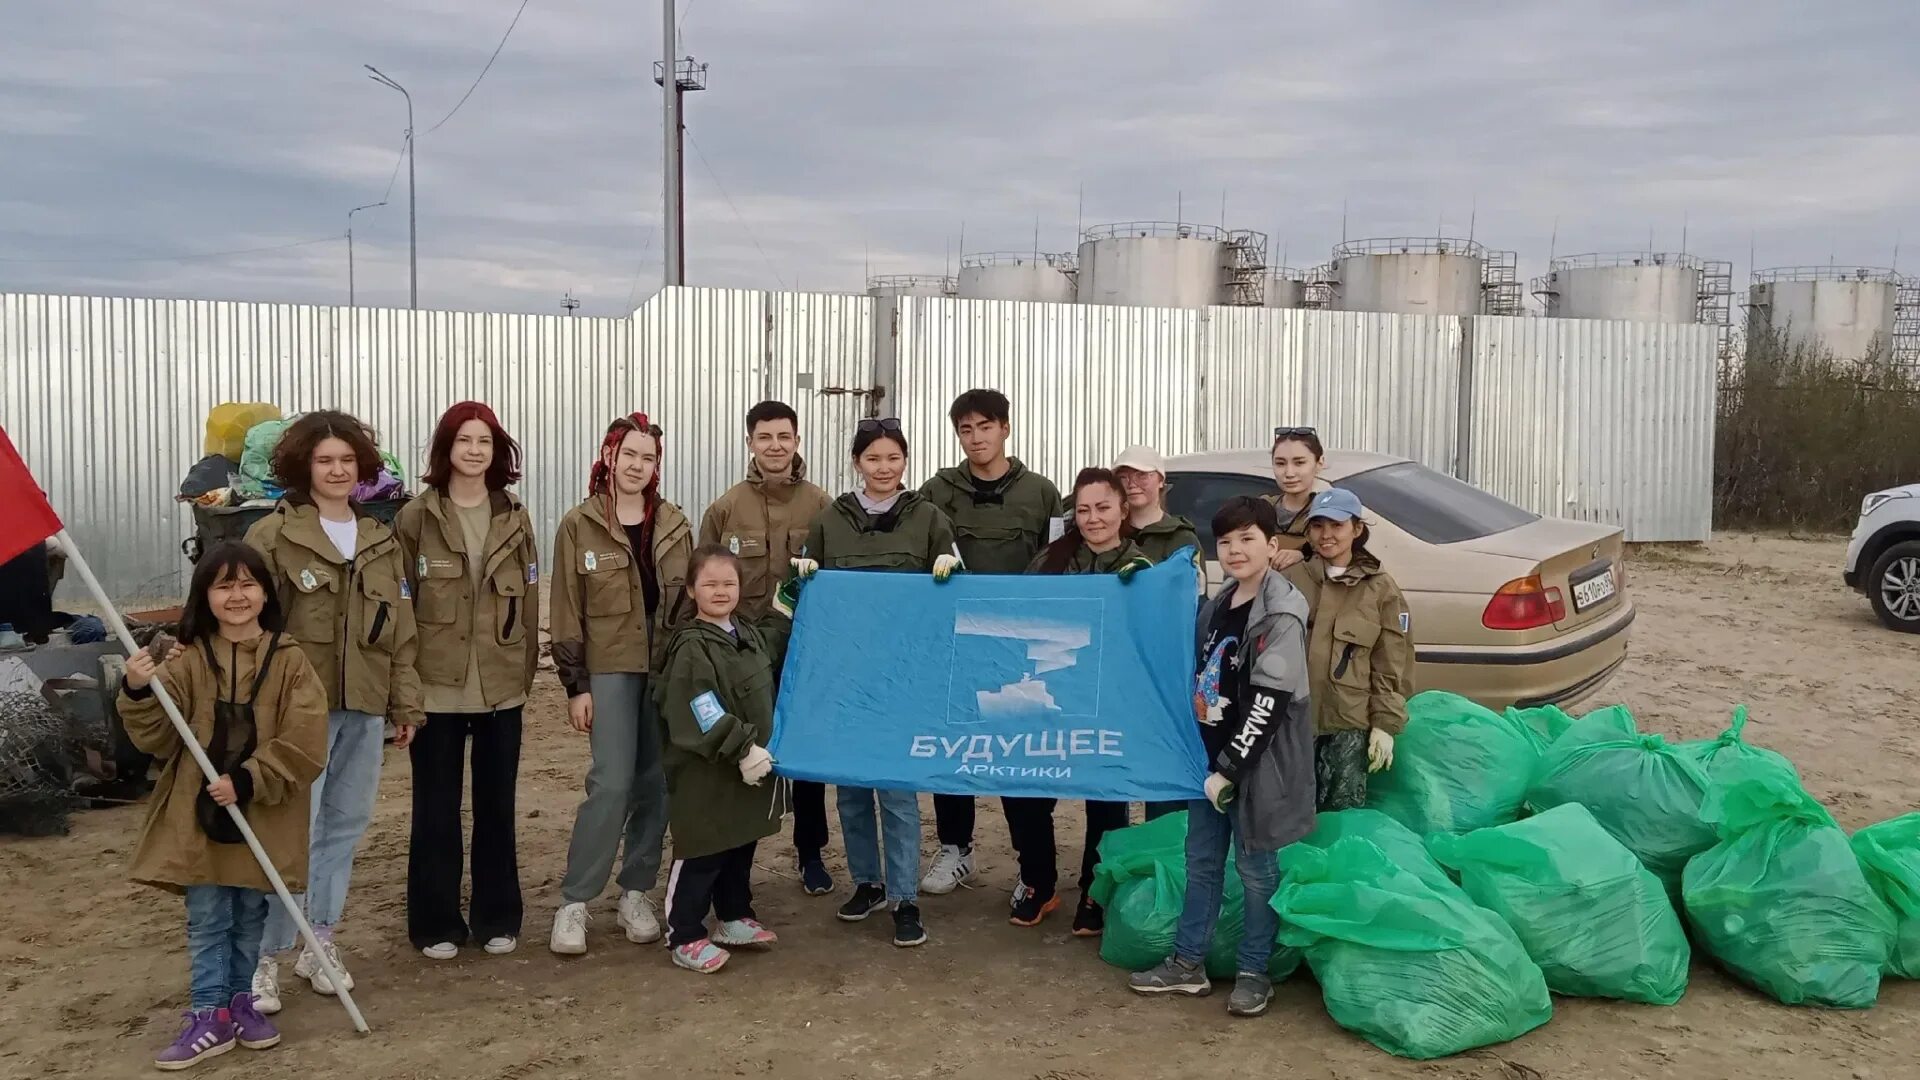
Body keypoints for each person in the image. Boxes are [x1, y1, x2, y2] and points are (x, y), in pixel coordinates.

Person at [120, 543, 327, 1070]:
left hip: (263, 811)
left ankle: (241, 1005)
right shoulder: (187, 661)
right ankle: (207, 1013)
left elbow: (305, 740)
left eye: (247, 584)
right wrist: (138, 691)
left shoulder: (291, 661)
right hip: (198, 814)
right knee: (209, 915)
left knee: (251, 910)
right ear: (204, 596)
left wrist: (250, 779)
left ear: (265, 593)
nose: (237, 596)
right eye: (223, 585)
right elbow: (157, 737)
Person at [243, 410, 422, 1013]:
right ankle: (264, 955)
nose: (337, 470)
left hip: (364, 707)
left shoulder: (379, 539)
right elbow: (249, 627)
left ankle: (319, 939)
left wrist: (406, 702)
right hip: (295, 715)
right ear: (304, 467)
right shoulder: (273, 537)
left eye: (347, 460)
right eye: (325, 461)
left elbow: (399, 630)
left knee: (343, 827)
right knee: (289, 831)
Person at [1129, 495, 1314, 1019]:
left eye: (1247, 539)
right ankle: (1188, 964)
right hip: (1208, 765)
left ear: (1272, 545)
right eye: (1226, 542)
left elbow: (1269, 704)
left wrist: (1231, 768)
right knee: (1202, 863)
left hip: (1254, 767)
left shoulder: (1280, 613)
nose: (1235, 550)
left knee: (1256, 870)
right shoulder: (1220, 603)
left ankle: (1255, 972)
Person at [793, 417, 961, 948]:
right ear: (856, 463)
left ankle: (904, 897)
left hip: (903, 679)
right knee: (851, 789)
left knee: (897, 791)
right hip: (845, 675)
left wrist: (950, 568)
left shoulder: (928, 517)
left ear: (904, 461)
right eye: (873, 459)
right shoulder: (830, 520)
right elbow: (806, 600)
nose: (884, 468)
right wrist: (801, 581)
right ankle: (867, 881)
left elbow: (955, 591)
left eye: (893, 458)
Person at [395, 402, 540, 960]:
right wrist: (405, 691)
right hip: (437, 687)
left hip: (501, 686)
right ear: (446, 449)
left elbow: (526, 604)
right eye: (464, 441)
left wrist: (522, 675)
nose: (474, 451)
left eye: (485, 441)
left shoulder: (514, 516)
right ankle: (434, 922)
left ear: (496, 452)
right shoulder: (417, 517)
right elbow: (402, 604)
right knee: (436, 807)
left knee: (496, 805)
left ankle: (498, 916)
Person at [548, 414, 694, 956]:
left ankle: (636, 892)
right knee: (610, 783)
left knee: (654, 783)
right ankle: (575, 900)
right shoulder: (579, 525)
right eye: (629, 454)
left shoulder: (676, 524)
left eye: (649, 458)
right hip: (608, 669)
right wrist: (575, 684)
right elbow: (566, 609)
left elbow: (688, 604)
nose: (638, 466)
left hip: (664, 671)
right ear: (609, 457)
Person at [915, 389, 1064, 897]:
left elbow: (1060, 565)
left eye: (985, 426)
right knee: (954, 748)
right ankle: (955, 848)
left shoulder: (1041, 493)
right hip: (954, 645)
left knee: (1017, 753)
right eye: (966, 429)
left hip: (1018, 649)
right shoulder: (936, 491)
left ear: (1005, 428)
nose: (976, 438)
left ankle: (1031, 862)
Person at [698, 400, 833, 897]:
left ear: (797, 441)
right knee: (744, 751)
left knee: (806, 756)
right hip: (743, 658)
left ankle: (811, 853)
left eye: (784, 437)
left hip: (804, 653)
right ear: (750, 442)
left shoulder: (822, 506)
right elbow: (704, 582)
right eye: (764, 437)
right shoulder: (726, 508)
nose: (775, 447)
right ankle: (734, 865)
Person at [1009, 468, 1152, 934]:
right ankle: (1038, 883)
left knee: (1106, 800)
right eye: (1084, 510)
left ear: (1122, 510)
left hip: (1110, 701)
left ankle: (1095, 890)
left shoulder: (1141, 570)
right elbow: (1021, 622)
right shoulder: (1049, 561)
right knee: (1027, 787)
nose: (1093, 519)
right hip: (1051, 695)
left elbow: (1155, 638)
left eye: (1103, 508)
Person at [655, 545, 792, 973]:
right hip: (708, 771)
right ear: (692, 590)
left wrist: (792, 595)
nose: (720, 592)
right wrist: (741, 747)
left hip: (747, 772)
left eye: (728, 583)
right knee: (704, 848)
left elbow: (775, 635)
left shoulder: (746, 634)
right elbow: (700, 707)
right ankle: (684, 933)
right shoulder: (692, 647)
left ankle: (733, 916)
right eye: (710, 584)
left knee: (739, 841)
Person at [1294, 488, 1412, 811]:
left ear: (1357, 529)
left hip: (1347, 727)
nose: (1326, 535)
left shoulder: (1381, 589)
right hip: (1292, 726)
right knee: (1290, 822)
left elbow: (1393, 664)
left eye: (1336, 525)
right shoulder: (1291, 579)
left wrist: (1385, 725)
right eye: (1317, 525)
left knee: (1341, 823)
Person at [1112, 444, 1201, 570]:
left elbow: (1195, 588)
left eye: (1141, 475)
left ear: (1161, 481)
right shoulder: (1110, 535)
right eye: (1123, 477)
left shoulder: (1182, 539)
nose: (1131, 484)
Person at [1265, 427, 1326, 576]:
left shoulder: (1330, 512)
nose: (1289, 473)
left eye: (1299, 463)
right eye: (1280, 463)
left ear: (1319, 463)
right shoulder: (1260, 509)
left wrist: (1303, 554)